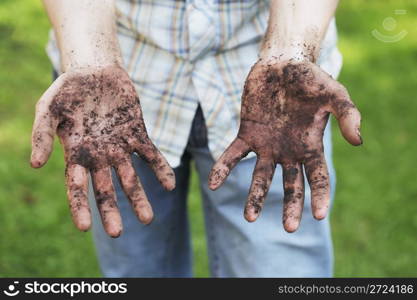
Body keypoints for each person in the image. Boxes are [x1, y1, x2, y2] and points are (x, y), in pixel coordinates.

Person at [32, 0, 361, 277]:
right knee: (138, 271)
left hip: (274, 99)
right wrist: (90, 60)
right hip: (109, 100)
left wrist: (291, 54)